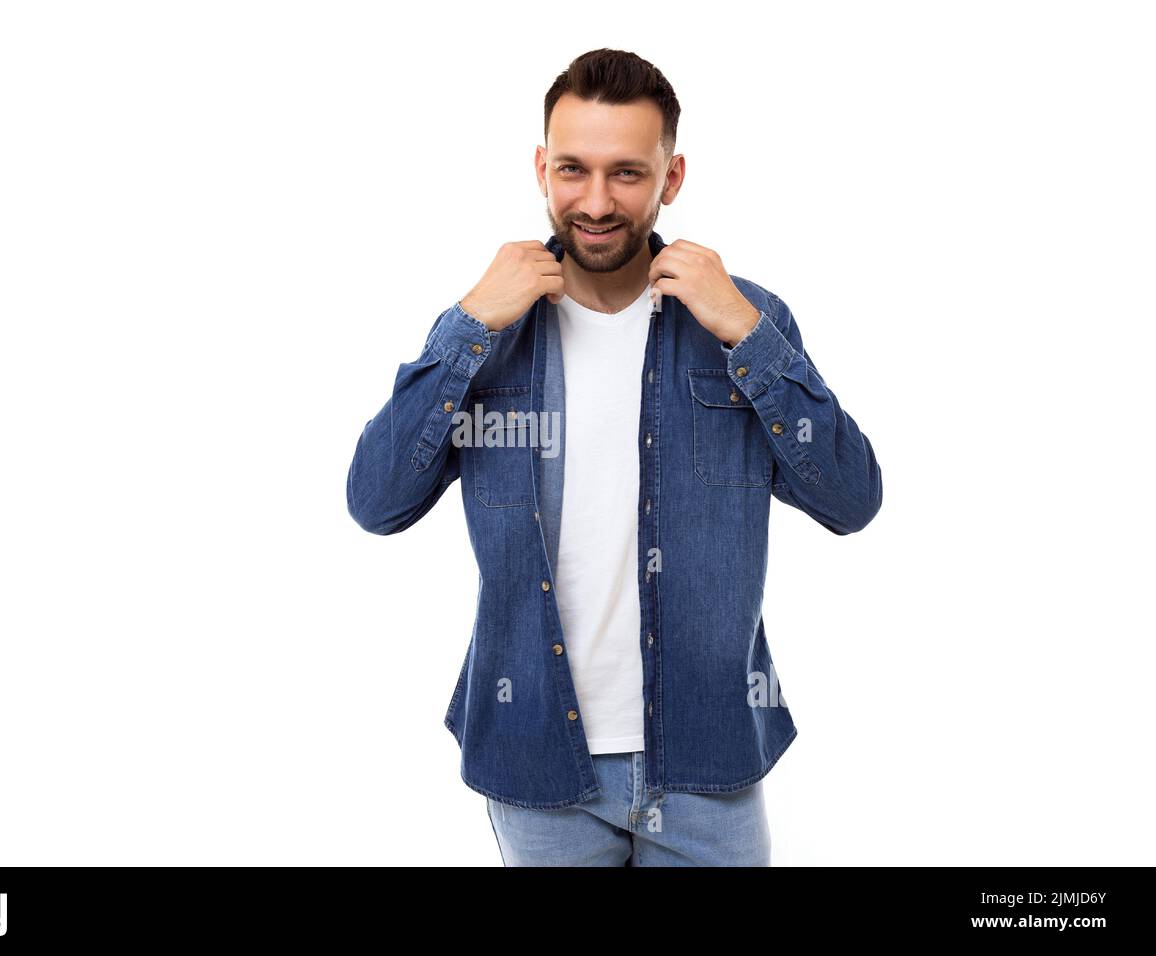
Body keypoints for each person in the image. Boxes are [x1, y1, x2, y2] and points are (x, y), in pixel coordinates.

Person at [346, 48, 883, 866]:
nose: (596, 202)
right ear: (541, 169)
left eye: (627, 173)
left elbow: (852, 498)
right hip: (535, 758)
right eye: (573, 169)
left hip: (707, 758)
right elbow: (375, 501)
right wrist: (467, 325)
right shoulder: (488, 329)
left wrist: (745, 332)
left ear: (671, 178)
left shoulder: (745, 319)